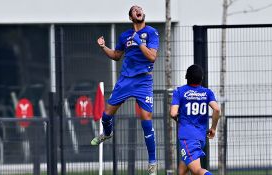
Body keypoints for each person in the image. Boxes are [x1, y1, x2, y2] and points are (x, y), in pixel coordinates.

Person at [90, 5, 159, 175]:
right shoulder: (124, 36)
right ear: (131, 17)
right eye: (135, 9)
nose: (139, 10)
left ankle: (152, 163)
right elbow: (116, 55)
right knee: (105, 116)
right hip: (125, 80)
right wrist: (103, 47)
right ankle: (107, 133)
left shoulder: (151, 32)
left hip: (143, 80)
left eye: (140, 8)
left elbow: (152, 56)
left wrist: (139, 42)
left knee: (146, 118)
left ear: (143, 14)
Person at [170, 65, 220, 175]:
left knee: (197, 170)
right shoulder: (207, 93)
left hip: (187, 137)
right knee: (182, 170)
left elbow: (173, 112)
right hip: (201, 137)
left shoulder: (179, 91)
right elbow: (216, 109)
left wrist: (178, 119)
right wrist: (213, 128)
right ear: (201, 78)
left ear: (186, 76)